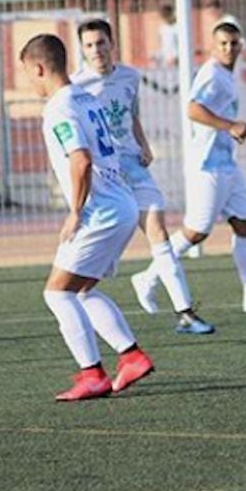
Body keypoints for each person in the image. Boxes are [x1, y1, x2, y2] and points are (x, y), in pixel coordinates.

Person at [21, 33, 156, 401]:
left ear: (38, 68)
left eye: (28, 75)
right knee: (81, 290)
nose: (30, 83)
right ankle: (131, 357)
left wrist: (75, 212)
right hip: (122, 204)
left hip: (100, 211)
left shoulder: (58, 109)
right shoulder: (87, 97)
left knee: (56, 293)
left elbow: (80, 159)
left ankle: (92, 374)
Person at [70, 19, 214, 335]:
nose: (96, 50)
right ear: (82, 49)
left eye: (101, 43)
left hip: (134, 167)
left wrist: (144, 144)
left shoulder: (130, 77)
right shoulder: (75, 88)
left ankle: (185, 313)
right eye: (90, 45)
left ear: (112, 44)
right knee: (99, 257)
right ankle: (76, 299)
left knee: (159, 234)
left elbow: (132, 115)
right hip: (105, 176)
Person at [157, 18, 246, 313]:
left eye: (233, 44)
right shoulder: (212, 74)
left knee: (244, 224)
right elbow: (193, 109)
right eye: (223, 44)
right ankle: (150, 276)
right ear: (212, 47)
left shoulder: (227, 75)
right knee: (197, 232)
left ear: (241, 45)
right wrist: (229, 126)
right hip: (207, 165)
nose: (229, 48)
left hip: (227, 163)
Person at [155, 2, 179, 68]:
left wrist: (176, 58)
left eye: (166, 15)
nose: (164, 18)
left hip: (177, 63)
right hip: (166, 63)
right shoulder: (162, 29)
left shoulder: (178, 27)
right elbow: (162, 47)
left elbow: (184, 46)